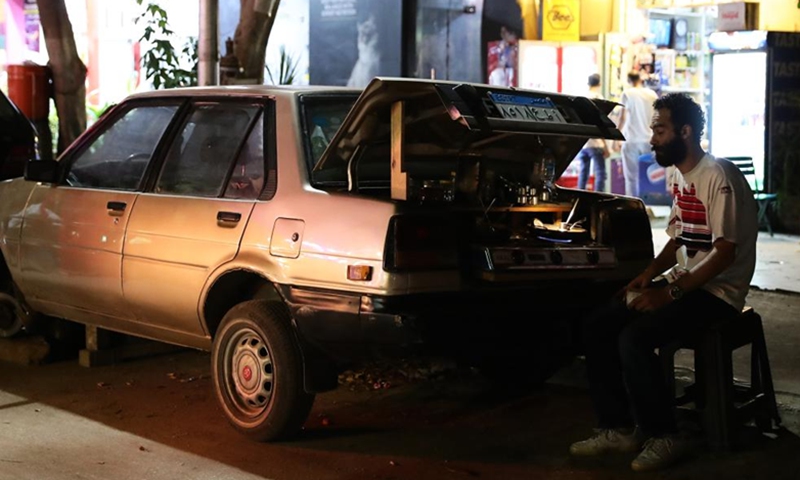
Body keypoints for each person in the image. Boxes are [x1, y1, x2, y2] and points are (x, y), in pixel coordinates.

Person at [569, 93, 758, 472]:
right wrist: (646, 276)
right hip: (685, 281)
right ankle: (618, 427)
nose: (652, 138)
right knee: (598, 325)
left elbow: (724, 253)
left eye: (660, 129)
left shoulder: (718, 176)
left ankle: (665, 434)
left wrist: (668, 293)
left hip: (717, 292)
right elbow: (679, 238)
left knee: (634, 338)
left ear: (684, 132)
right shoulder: (677, 174)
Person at [617, 71, 658, 197]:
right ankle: (651, 203)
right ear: (641, 80)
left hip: (632, 140)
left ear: (629, 81)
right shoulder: (652, 94)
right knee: (651, 176)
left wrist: (616, 139)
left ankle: (634, 205)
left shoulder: (627, 93)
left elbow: (622, 118)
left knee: (632, 178)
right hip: (650, 140)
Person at [576, 74, 610, 191]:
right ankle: (599, 197)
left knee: (583, 173)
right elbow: (601, 123)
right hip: (596, 143)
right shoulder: (598, 97)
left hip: (583, 142)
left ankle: (579, 196)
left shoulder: (582, 97)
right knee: (601, 173)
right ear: (599, 84)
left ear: (588, 83)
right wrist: (605, 145)